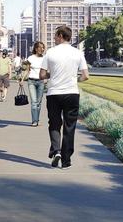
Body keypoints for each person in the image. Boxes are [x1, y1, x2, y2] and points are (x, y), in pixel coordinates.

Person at [40, 25, 89, 169]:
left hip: (54, 94)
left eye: (55, 35)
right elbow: (85, 76)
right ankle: (66, 160)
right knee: (70, 126)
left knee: (54, 123)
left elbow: (42, 75)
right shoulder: (77, 53)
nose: (54, 38)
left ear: (61, 35)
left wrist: (52, 75)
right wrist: (74, 80)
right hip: (72, 93)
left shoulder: (50, 52)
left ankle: (56, 151)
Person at [20, 42, 46, 127]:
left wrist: (46, 79)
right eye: (40, 47)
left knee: (38, 102)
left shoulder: (45, 58)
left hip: (41, 82)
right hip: (31, 81)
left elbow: (47, 70)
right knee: (34, 102)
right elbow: (26, 70)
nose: (42, 49)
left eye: (43, 48)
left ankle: (36, 119)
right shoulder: (30, 58)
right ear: (36, 49)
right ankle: (34, 121)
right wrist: (22, 80)